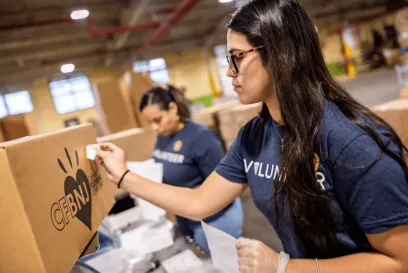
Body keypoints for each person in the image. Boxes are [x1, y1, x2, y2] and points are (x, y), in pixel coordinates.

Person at [95, 0, 408, 272]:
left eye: (236, 58)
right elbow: (200, 201)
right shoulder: (254, 137)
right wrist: (123, 176)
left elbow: (400, 262)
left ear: (280, 54)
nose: (230, 72)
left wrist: (284, 267)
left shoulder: (351, 141)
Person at [130, 85, 243, 253]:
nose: (154, 127)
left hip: (214, 220)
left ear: (173, 108)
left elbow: (220, 189)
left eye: (157, 120)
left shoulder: (202, 138)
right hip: (185, 215)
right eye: (149, 122)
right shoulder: (163, 137)